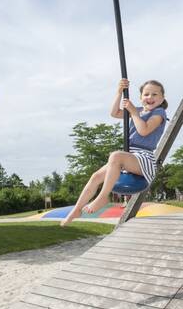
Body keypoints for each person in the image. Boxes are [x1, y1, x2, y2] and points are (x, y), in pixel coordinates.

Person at [60, 78, 168, 226]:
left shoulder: (159, 113)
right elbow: (114, 112)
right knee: (96, 176)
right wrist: (119, 92)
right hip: (130, 155)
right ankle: (76, 209)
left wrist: (132, 112)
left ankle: (103, 197)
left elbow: (143, 131)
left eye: (155, 94)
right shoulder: (137, 110)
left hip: (144, 158)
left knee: (115, 156)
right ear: (141, 97)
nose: (150, 98)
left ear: (162, 98)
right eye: (146, 94)